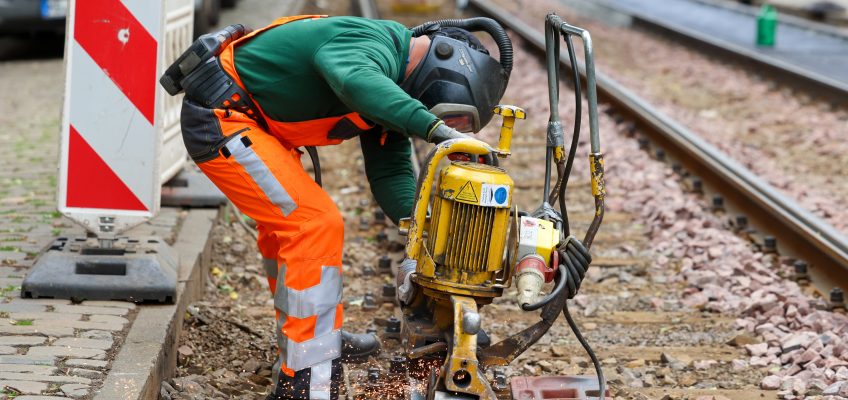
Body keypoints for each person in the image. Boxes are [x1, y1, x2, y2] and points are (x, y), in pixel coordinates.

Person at [163, 14, 512, 400]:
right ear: (444, 68)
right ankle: (307, 380)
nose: (442, 119)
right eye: (448, 114)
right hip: (224, 116)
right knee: (312, 224)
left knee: (289, 230)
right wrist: (434, 129)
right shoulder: (370, 42)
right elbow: (354, 79)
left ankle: (314, 336)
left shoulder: (392, 87)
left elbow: (391, 172)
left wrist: (422, 233)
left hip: (254, 126)